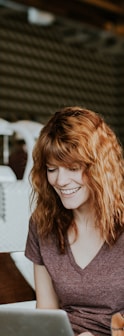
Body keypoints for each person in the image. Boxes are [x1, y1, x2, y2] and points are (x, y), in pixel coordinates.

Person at [25, 106, 124, 336]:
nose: (60, 180)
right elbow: (47, 315)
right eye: (52, 169)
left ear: (99, 168)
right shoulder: (42, 225)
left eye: (73, 168)